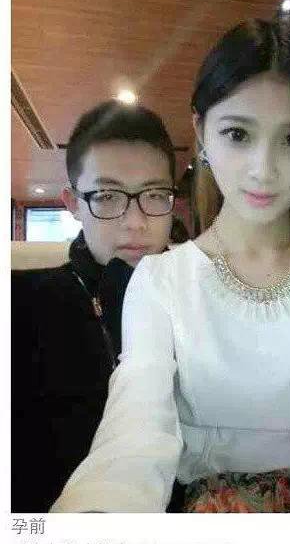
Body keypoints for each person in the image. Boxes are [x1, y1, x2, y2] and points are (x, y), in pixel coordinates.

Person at [50, 18, 290, 514]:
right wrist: (99, 516)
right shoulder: (162, 281)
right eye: (238, 134)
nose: (263, 170)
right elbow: (135, 424)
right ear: (201, 132)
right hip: (223, 517)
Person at [11, 100, 178, 512]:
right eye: (106, 196)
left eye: (154, 194)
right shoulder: (21, 305)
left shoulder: (201, 296)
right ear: (72, 203)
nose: (135, 221)